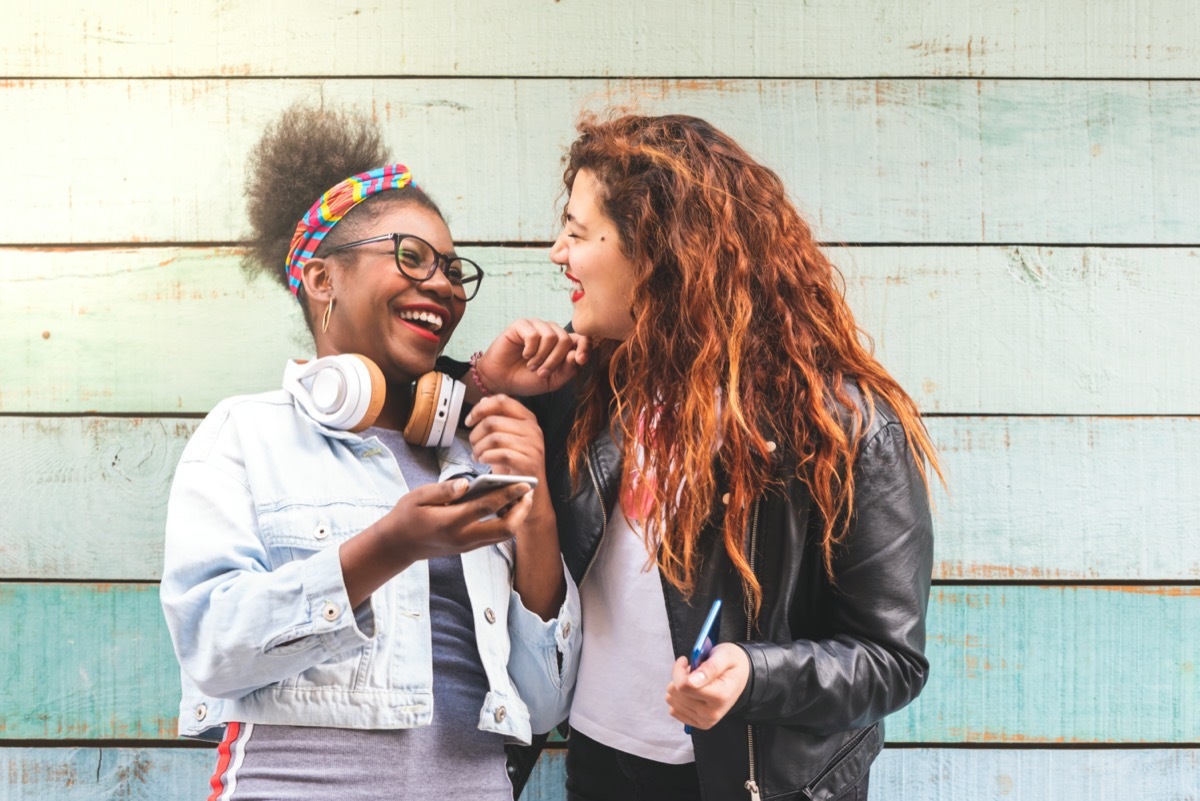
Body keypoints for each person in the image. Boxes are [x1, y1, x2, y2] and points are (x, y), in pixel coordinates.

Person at [471, 113, 942, 801]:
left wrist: (754, 674)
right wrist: (491, 377)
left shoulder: (838, 425)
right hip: (599, 768)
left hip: (753, 782)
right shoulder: (579, 389)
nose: (556, 252)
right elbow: (419, 410)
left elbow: (891, 659)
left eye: (577, 232)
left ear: (657, 249)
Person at [159, 105, 581, 801]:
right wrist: (390, 545)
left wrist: (533, 507)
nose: (443, 284)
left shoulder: (479, 449)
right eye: (410, 257)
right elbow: (212, 648)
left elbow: (543, 704)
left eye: (451, 269)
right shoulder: (245, 434)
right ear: (322, 280)